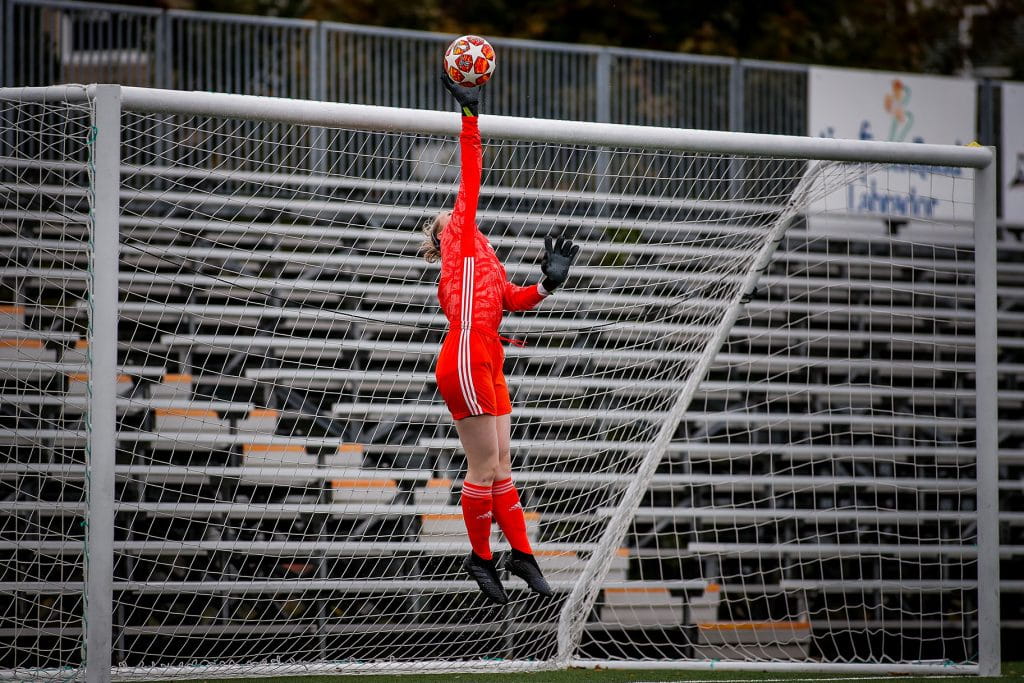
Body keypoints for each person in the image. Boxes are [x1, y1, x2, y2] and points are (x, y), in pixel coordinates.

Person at [418, 74, 579, 605]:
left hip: (488, 355)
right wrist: (470, 116)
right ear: (442, 236)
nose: (451, 214)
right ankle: (483, 558)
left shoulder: (482, 255)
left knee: (501, 465)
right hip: (465, 352)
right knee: (484, 466)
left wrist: (548, 285)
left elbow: (512, 298)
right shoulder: (459, 242)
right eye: (443, 221)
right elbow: (471, 178)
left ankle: (520, 554)